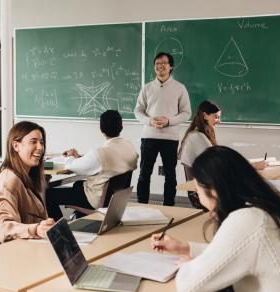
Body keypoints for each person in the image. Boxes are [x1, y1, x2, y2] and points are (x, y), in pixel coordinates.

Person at [151, 146, 280, 292]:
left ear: (213, 191)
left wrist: (187, 266)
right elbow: (245, 250)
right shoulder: (270, 208)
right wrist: (187, 248)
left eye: (198, 189)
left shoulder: (247, 220)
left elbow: (190, 287)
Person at [46, 110, 139, 219]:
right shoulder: (129, 147)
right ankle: (80, 217)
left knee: (49, 195)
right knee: (78, 184)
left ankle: (59, 228)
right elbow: (104, 163)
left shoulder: (100, 153)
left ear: (101, 130)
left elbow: (72, 166)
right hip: (115, 198)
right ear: (121, 127)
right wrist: (79, 157)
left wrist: (71, 156)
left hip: (96, 200)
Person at [135, 52, 192, 206]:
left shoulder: (180, 88)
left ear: (171, 66)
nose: (160, 66)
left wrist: (169, 121)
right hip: (149, 136)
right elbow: (138, 111)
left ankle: (168, 205)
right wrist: (149, 121)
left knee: (170, 175)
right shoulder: (147, 88)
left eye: (164, 63)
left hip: (170, 138)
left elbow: (186, 113)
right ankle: (141, 205)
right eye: (157, 64)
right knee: (144, 174)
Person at [0, 121, 55, 242]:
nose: (40, 148)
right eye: (33, 142)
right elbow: (3, 227)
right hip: (15, 254)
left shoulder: (25, 177)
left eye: (41, 142)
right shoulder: (8, 181)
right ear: (16, 146)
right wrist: (36, 229)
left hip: (31, 247)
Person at [177, 100, 267, 169]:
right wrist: (253, 166)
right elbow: (217, 162)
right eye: (216, 117)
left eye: (219, 117)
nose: (219, 121)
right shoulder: (197, 136)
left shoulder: (199, 134)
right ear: (205, 116)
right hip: (204, 185)